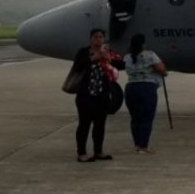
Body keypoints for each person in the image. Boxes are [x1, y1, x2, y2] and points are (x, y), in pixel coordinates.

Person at [71, 28, 123, 162]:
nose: (98, 40)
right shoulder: (84, 52)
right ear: (90, 39)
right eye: (95, 37)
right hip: (86, 95)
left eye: (101, 37)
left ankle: (98, 151)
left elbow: (121, 64)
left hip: (102, 95)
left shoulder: (108, 52)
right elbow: (77, 67)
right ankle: (81, 153)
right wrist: (93, 58)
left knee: (100, 124)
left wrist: (110, 60)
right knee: (84, 124)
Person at [124, 33, 167, 154]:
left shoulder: (127, 57)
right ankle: (144, 146)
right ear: (143, 44)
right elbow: (160, 68)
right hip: (147, 87)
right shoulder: (150, 55)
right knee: (147, 118)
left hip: (131, 87)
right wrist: (164, 72)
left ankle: (137, 144)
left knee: (135, 118)